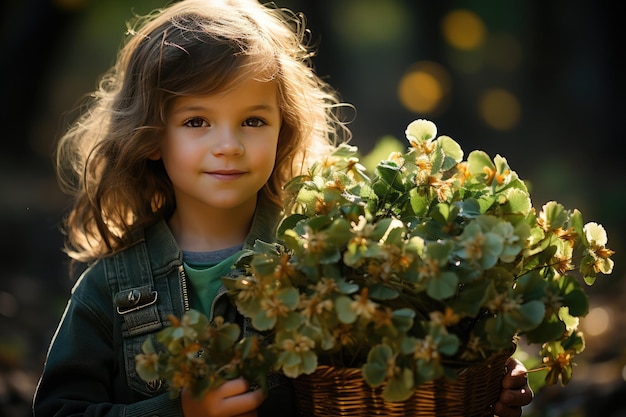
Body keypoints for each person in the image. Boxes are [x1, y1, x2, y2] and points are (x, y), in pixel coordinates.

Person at [33, 1, 534, 416]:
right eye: (196, 122)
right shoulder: (113, 287)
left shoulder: (326, 259)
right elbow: (59, 411)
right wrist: (178, 411)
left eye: (253, 121)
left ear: (283, 131)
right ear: (150, 137)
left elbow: (390, 372)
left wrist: (479, 376)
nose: (227, 145)